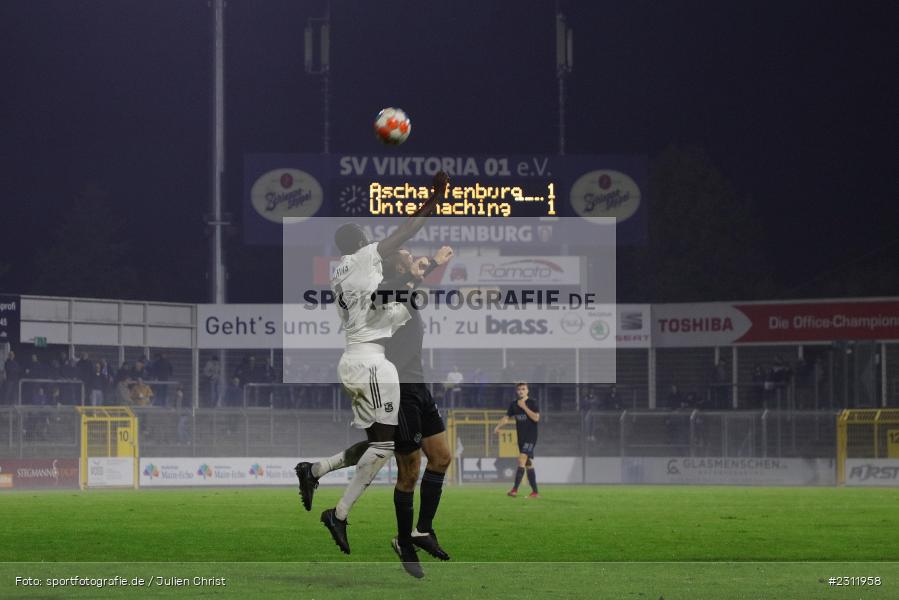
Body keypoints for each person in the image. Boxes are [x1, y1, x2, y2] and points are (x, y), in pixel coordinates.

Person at [298, 171, 448, 563]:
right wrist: (434, 198)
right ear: (364, 244)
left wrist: (422, 271)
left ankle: (317, 473)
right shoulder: (366, 259)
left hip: (357, 359)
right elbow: (407, 229)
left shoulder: (342, 274)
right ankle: (340, 513)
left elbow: (393, 295)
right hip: (372, 364)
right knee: (386, 447)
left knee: (384, 442)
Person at [494, 382, 540, 498]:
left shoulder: (532, 402)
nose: (521, 391)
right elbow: (506, 418)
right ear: (516, 391)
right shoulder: (513, 404)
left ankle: (514, 490)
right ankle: (535, 492)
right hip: (521, 438)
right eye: (519, 389)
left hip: (530, 437)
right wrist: (498, 426)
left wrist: (524, 407)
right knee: (528, 463)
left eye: (523, 389)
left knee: (521, 459)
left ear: (527, 391)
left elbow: (536, 418)